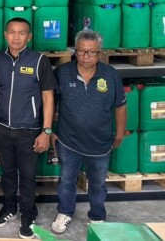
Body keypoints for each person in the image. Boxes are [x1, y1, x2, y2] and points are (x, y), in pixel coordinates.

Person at [50, 30, 127, 235]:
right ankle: (65, 212)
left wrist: (119, 134)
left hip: (100, 142)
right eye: (81, 51)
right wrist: (50, 130)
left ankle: (97, 216)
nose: (86, 56)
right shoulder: (62, 73)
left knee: (98, 184)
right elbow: (51, 103)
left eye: (91, 52)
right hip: (68, 141)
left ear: (99, 53)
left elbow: (120, 106)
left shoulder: (110, 75)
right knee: (66, 180)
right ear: (75, 51)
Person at [0, 17, 56, 239]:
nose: (16, 37)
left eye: (21, 33)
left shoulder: (39, 61)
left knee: (27, 176)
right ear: (5, 35)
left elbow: (48, 97)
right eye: (12, 32)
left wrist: (46, 131)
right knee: (7, 173)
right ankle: (9, 207)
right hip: (1, 128)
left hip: (29, 131)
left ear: (29, 36)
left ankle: (28, 214)